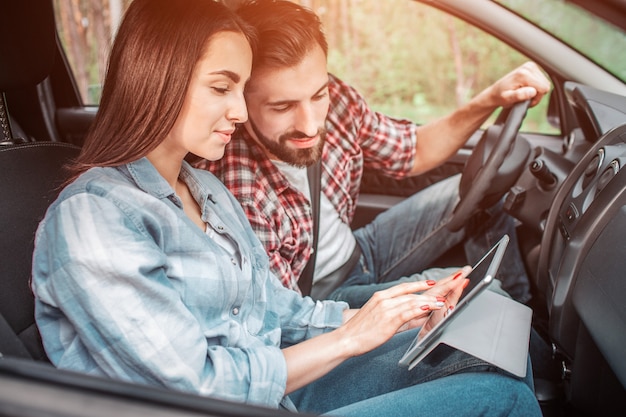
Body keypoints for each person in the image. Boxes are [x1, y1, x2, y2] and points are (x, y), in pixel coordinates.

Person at [31, 0, 541, 415]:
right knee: (504, 398)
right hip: (245, 398)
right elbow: (192, 388)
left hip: (280, 389)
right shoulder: (94, 217)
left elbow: (280, 311)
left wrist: (386, 315)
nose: (238, 110)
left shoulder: (205, 191)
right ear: (156, 78)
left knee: (490, 343)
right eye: (222, 87)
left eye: (239, 87)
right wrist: (350, 341)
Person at [201, 0, 552, 308]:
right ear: (242, 99)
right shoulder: (237, 191)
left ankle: (527, 315)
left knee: (482, 189)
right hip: (320, 300)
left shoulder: (338, 101)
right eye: (282, 106)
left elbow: (413, 150)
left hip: (362, 249)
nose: (310, 125)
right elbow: (290, 320)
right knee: (474, 292)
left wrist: (492, 98)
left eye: (318, 95)